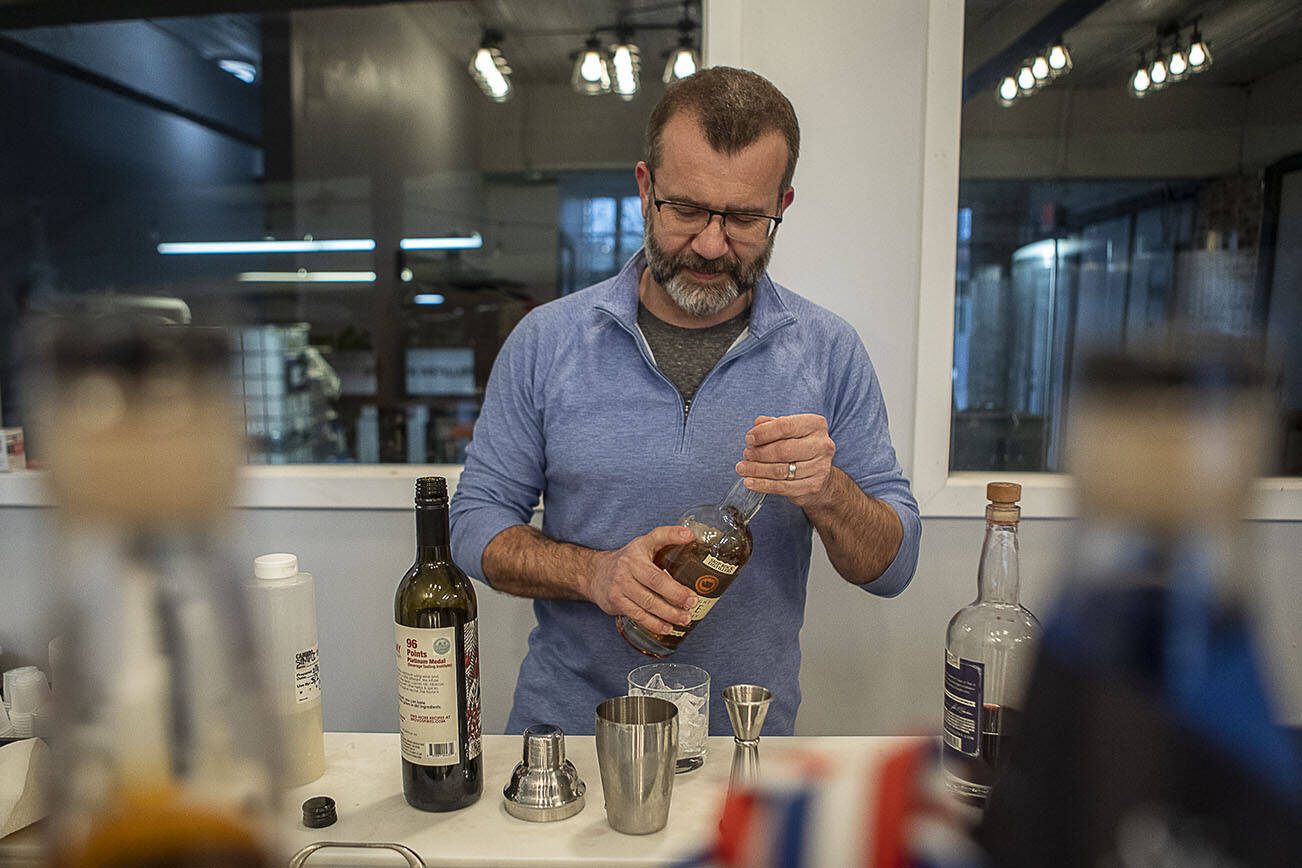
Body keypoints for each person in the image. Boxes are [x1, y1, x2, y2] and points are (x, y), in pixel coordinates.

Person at [450, 66, 921, 736]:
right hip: (568, 741)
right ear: (645, 188)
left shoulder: (828, 351)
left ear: (781, 205)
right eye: (688, 209)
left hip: (745, 747)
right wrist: (594, 574)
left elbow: (894, 568)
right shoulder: (548, 341)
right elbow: (473, 525)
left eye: (744, 218)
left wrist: (829, 490)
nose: (709, 244)